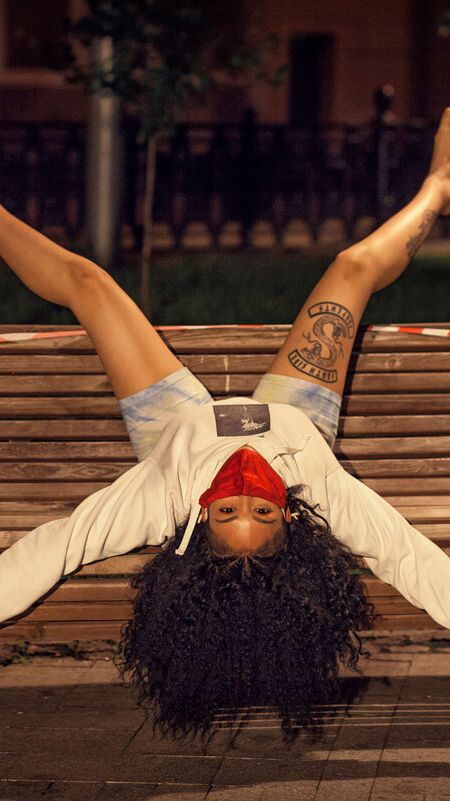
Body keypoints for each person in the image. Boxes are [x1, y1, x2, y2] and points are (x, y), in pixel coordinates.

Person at [1, 108, 450, 746]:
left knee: (89, 284)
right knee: (352, 267)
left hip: (175, 425)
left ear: (198, 516)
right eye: (261, 511)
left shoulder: (160, 497)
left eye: (227, 510)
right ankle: (439, 187)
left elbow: (55, 549)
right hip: (297, 416)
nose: (243, 486)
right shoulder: (325, 497)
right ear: (290, 515)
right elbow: (413, 561)